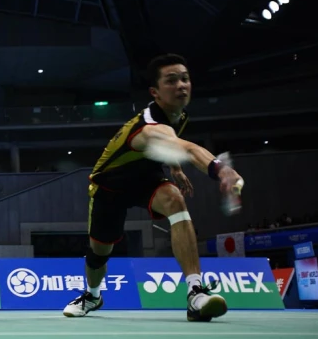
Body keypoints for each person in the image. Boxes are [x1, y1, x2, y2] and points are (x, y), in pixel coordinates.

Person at [62, 54, 244, 322]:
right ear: (155, 92)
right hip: (110, 185)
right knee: (99, 253)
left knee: (175, 200)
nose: (181, 85)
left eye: (185, 78)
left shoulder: (177, 115)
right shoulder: (146, 128)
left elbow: (172, 144)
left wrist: (176, 168)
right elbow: (187, 147)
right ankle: (92, 295)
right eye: (172, 81)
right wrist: (222, 170)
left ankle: (196, 292)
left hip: (146, 176)